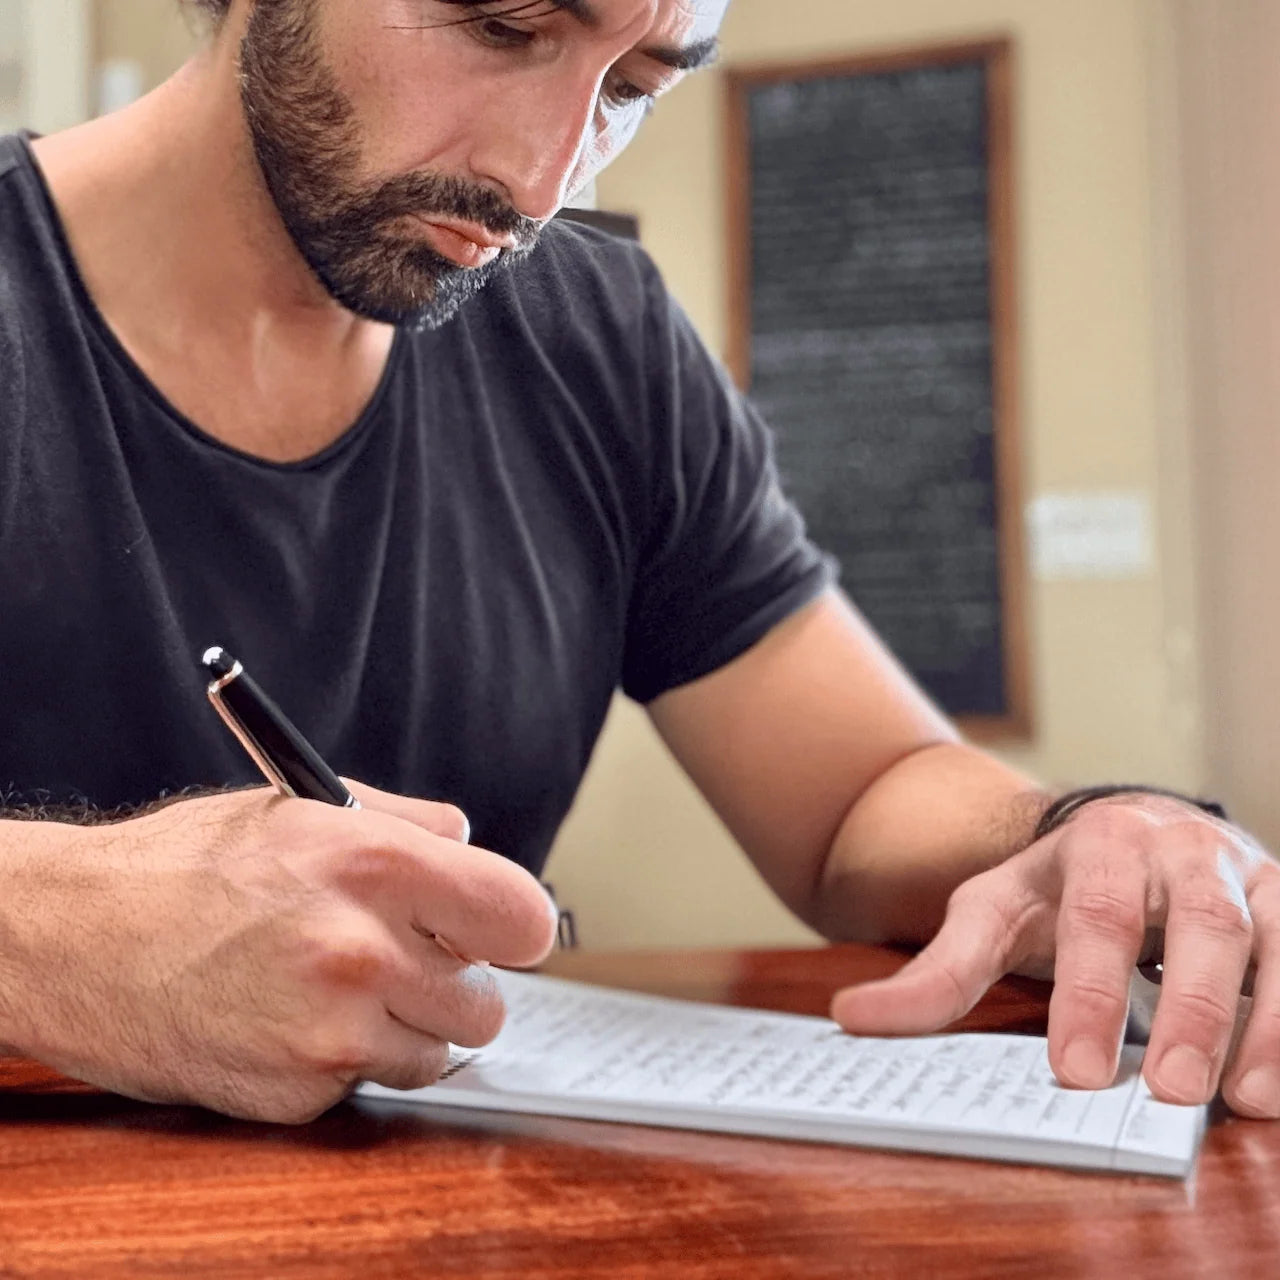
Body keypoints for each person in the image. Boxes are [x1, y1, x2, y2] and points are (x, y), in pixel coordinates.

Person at [0, 0, 1275, 1127]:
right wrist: (48, 932)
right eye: (503, 24)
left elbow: (855, 797)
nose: (544, 184)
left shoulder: (595, 334)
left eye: (629, 90)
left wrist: (1079, 831)